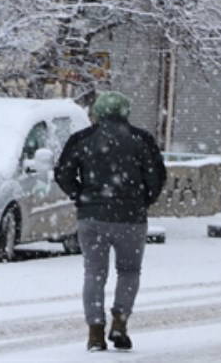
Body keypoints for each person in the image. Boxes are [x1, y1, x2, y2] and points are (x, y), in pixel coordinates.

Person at [54, 91, 167, 352]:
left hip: (92, 217)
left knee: (94, 272)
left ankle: (95, 331)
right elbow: (156, 176)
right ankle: (120, 321)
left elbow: (63, 173)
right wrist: (141, 201)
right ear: (125, 113)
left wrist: (80, 195)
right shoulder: (141, 140)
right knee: (129, 271)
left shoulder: (82, 139)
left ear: (98, 113)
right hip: (131, 218)